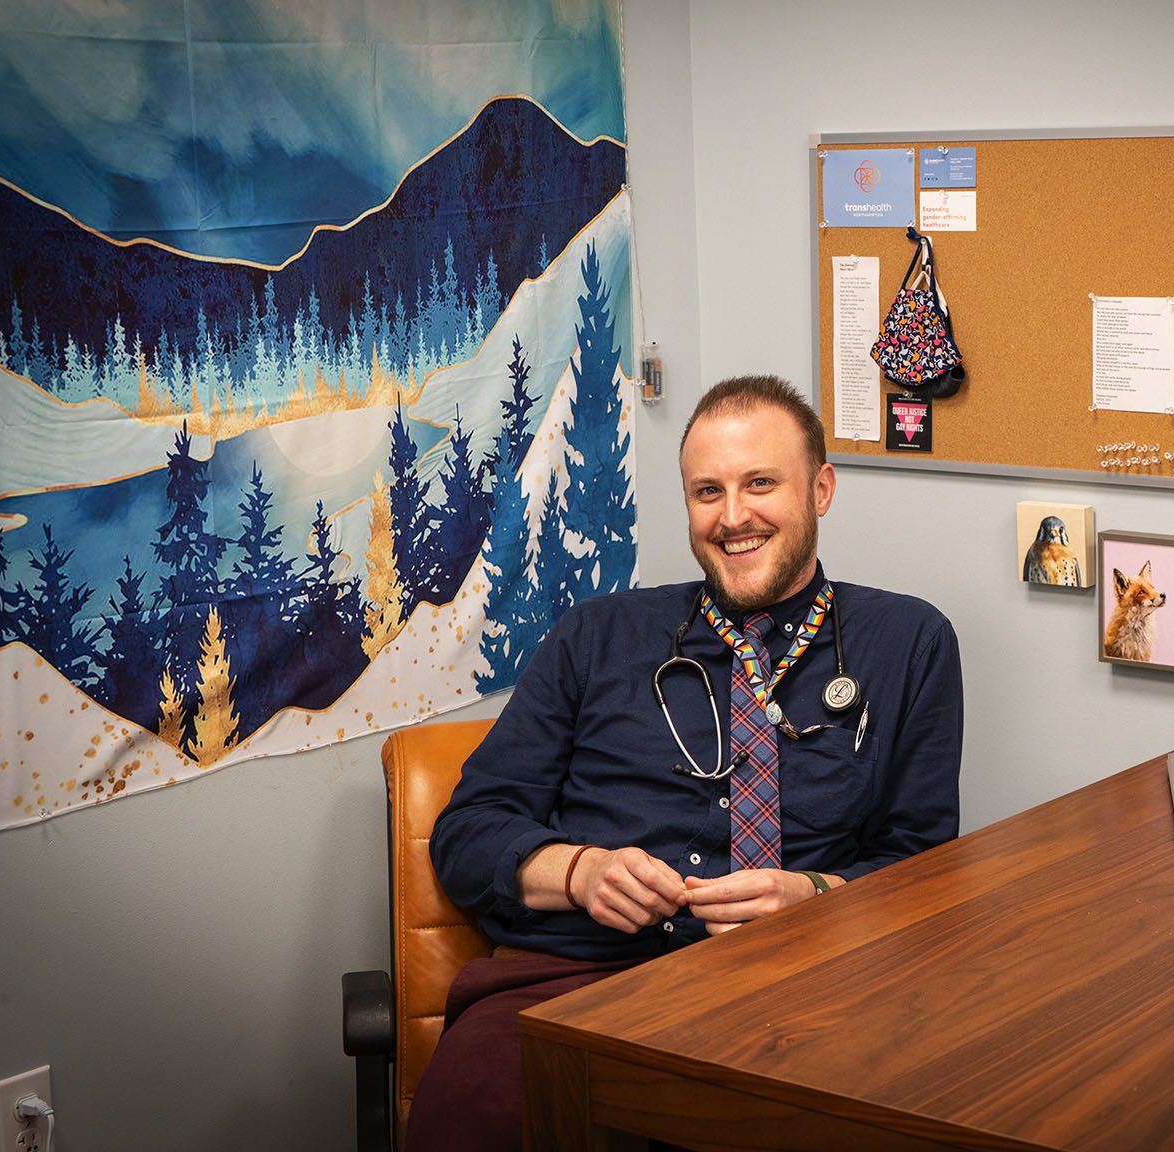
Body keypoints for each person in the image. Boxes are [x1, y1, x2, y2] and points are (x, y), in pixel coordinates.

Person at [404, 374, 964, 1150]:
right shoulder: (595, 635)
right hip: (582, 984)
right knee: (474, 1118)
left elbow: (927, 874)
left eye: (760, 483)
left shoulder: (908, 643)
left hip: (811, 983)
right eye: (708, 491)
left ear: (821, 489)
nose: (733, 517)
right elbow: (467, 834)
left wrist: (817, 894)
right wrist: (577, 871)